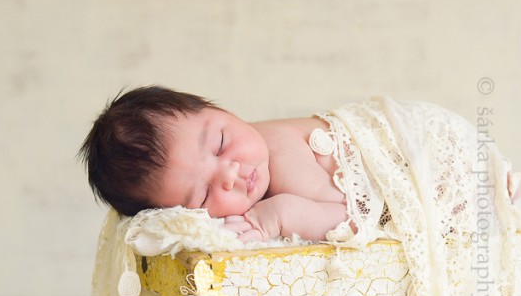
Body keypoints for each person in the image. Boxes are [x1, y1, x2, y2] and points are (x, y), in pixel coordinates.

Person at [80, 85, 351, 243]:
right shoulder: (251, 160)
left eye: (221, 143)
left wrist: (281, 215)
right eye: (205, 194)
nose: (230, 175)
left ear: (223, 111)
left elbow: (362, 218)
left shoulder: (280, 154)